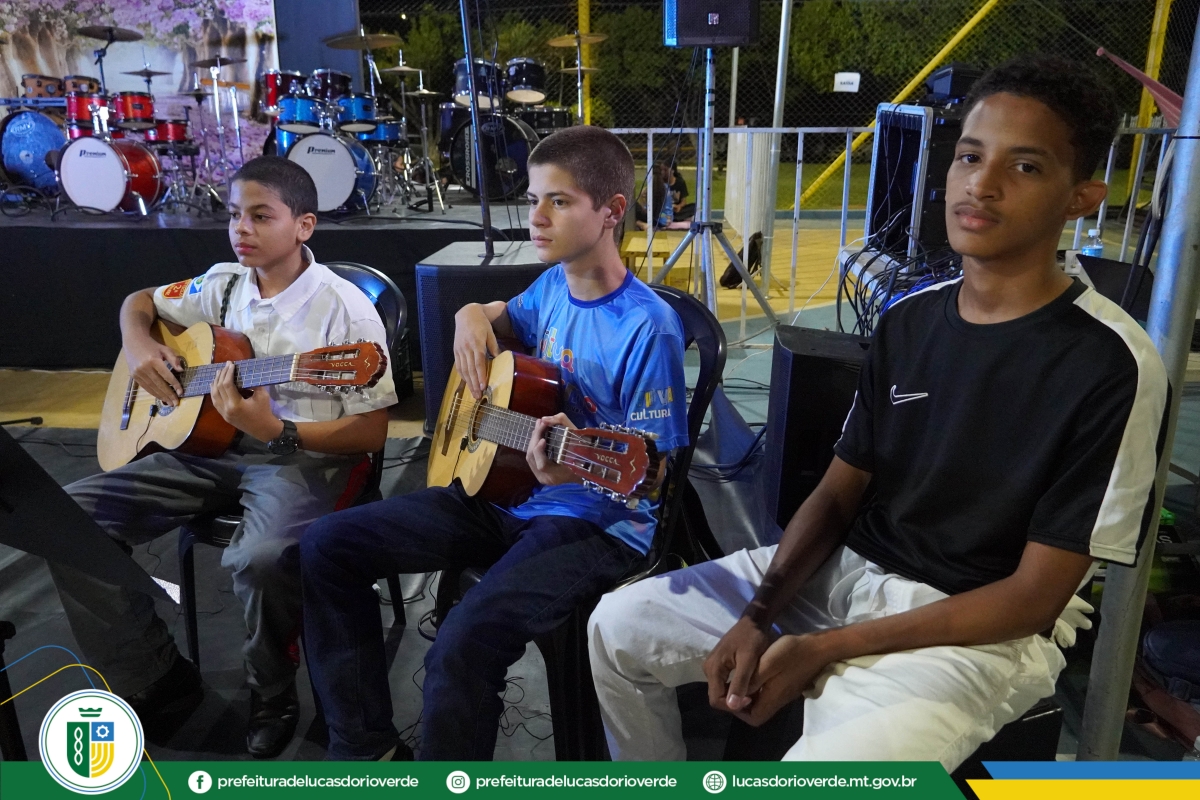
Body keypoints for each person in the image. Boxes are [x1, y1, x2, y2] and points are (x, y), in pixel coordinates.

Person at [587, 53, 1169, 768]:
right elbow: (839, 491)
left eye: (1024, 167)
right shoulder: (909, 319)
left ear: (1081, 198)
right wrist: (758, 614)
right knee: (617, 626)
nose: (981, 184)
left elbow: (1033, 600)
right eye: (970, 156)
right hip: (847, 575)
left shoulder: (1113, 362)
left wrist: (824, 649)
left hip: (975, 632)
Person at [300, 126, 689, 761]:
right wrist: (470, 315)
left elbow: (654, 477)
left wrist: (575, 468)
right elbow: (502, 313)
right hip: (508, 489)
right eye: (533, 199)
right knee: (326, 545)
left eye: (558, 201)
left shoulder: (649, 328)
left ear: (612, 211)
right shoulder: (553, 285)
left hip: (596, 522)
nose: (536, 218)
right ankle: (364, 747)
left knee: (461, 644)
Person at [49, 156, 397, 758]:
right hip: (209, 447)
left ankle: (272, 693)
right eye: (235, 215)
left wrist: (278, 429)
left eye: (261, 216)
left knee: (261, 558)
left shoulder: (347, 312)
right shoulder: (223, 283)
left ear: (304, 225)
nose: (241, 229)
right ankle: (154, 677)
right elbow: (139, 301)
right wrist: (139, 347)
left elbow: (371, 430)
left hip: (306, 455)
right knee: (65, 521)